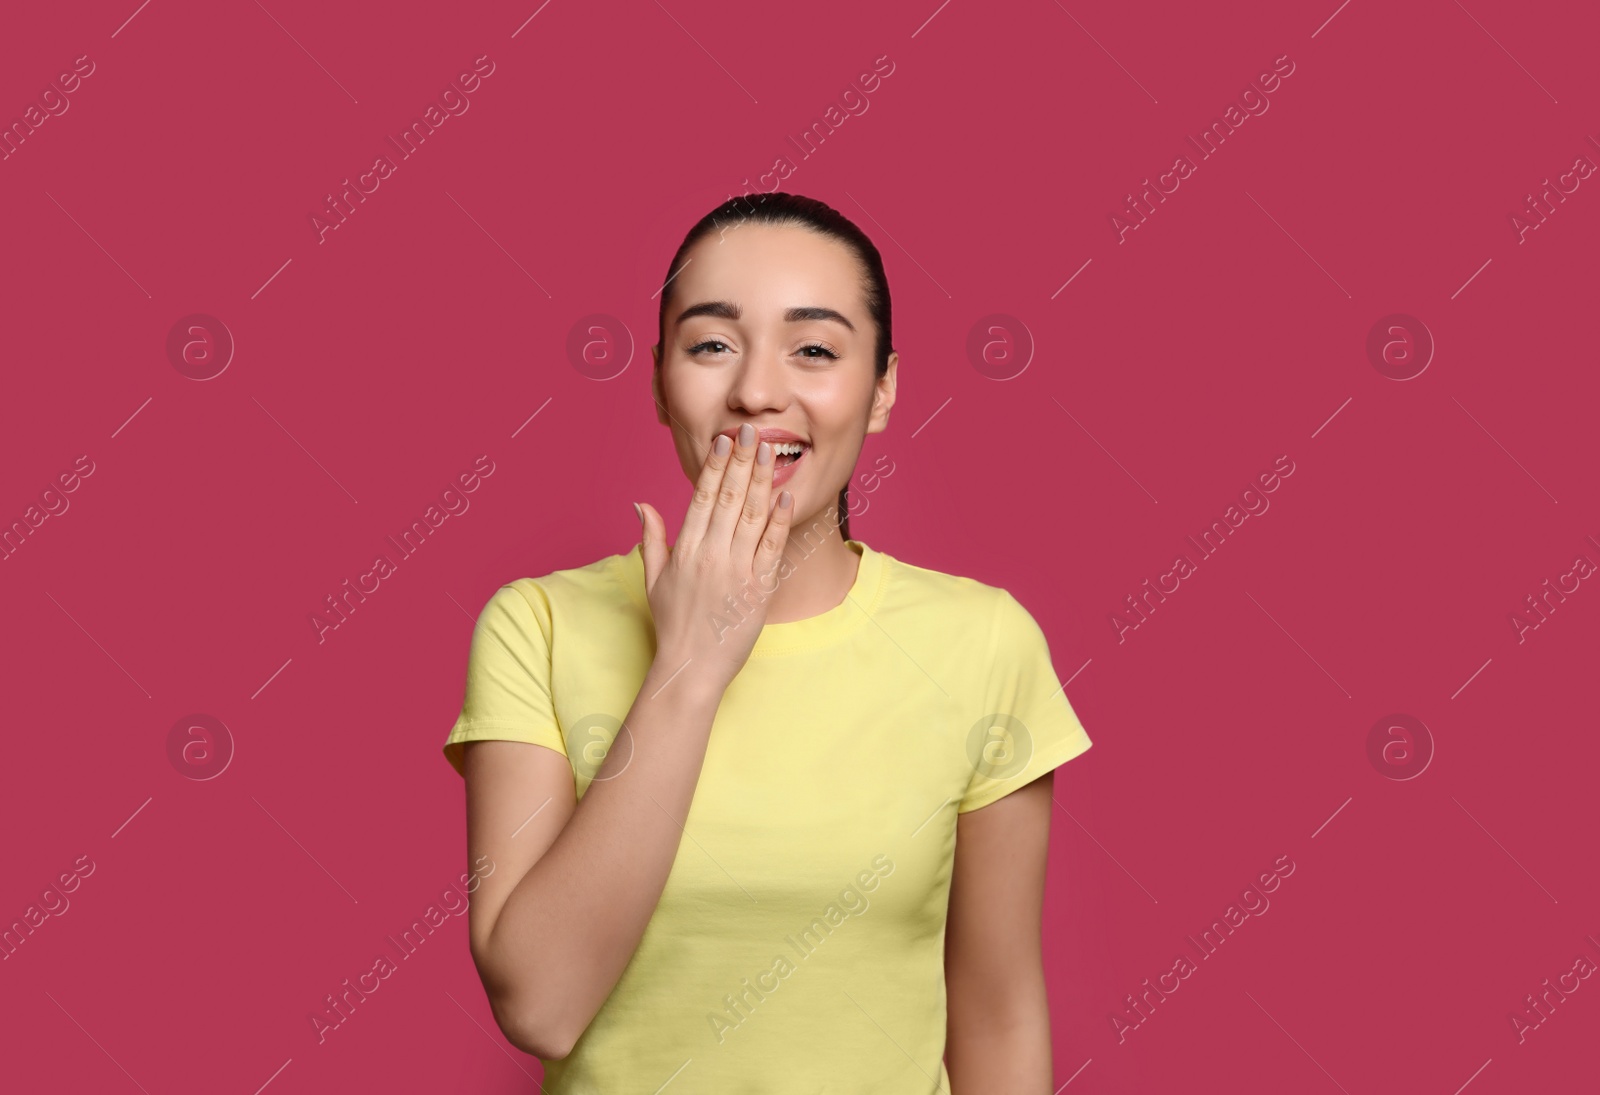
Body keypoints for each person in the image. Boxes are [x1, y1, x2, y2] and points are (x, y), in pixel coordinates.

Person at [442, 192, 1094, 1092]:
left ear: (883, 390)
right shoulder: (538, 627)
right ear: (659, 384)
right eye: (712, 344)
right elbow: (542, 1002)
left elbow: (997, 1012)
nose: (756, 390)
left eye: (816, 350)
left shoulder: (983, 643)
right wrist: (687, 666)